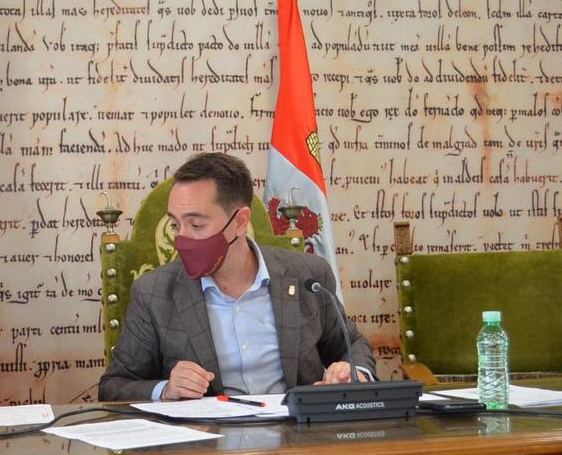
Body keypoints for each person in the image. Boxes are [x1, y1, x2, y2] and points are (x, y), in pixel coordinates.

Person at [98, 152, 376, 401]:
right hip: (207, 446)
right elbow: (114, 386)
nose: (181, 238)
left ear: (240, 221)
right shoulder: (154, 292)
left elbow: (350, 344)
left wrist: (354, 371)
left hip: (296, 441)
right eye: (175, 224)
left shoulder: (307, 275)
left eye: (196, 224)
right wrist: (166, 389)